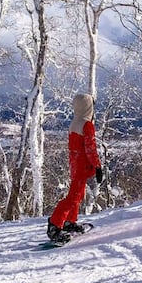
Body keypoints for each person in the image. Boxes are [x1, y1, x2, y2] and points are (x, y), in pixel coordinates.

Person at [47, 93, 103, 243]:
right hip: (82, 166)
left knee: (77, 195)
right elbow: (90, 149)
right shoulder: (87, 125)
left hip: (75, 164)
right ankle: (55, 224)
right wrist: (97, 167)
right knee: (73, 197)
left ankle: (69, 222)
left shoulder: (75, 122)